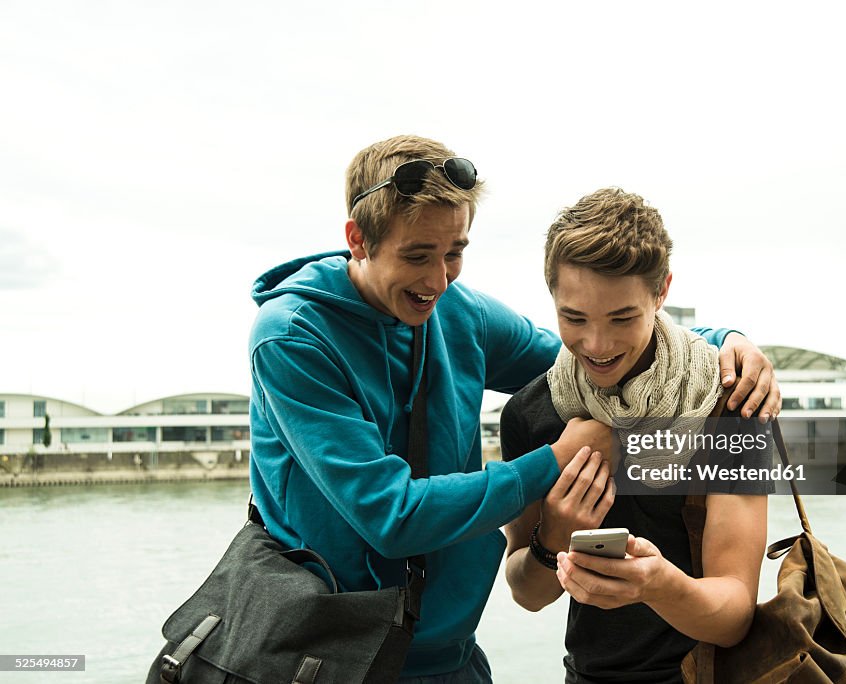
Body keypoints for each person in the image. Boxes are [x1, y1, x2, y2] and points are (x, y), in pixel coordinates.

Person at [247, 136, 780, 682]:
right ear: (358, 240)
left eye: (454, 252)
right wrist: (553, 466)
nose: (438, 281)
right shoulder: (291, 339)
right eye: (417, 256)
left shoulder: (461, 313)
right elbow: (391, 516)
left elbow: (584, 355)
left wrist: (720, 344)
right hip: (329, 657)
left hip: (449, 654)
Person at [501, 188, 773, 683]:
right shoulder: (532, 413)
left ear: (662, 291)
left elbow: (735, 614)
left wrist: (658, 585)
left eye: (622, 317)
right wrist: (552, 538)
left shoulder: (727, 405)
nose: (597, 345)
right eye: (574, 318)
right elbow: (527, 593)